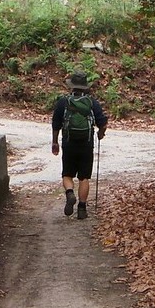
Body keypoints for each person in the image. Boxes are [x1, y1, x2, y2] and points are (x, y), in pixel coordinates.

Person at [51, 72, 107, 220]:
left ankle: (70, 193)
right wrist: (101, 134)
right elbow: (102, 122)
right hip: (86, 144)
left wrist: (55, 141)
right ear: (85, 87)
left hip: (69, 143)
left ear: (72, 87)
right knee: (84, 177)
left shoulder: (63, 102)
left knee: (67, 174)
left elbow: (56, 123)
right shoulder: (92, 102)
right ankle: (82, 209)